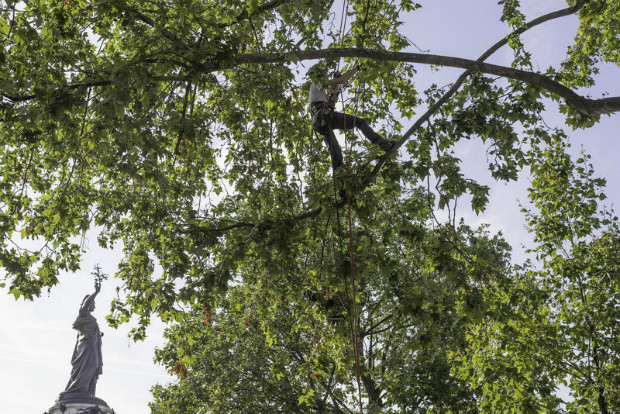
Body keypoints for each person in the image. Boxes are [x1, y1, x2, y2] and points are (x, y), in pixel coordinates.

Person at [308, 62, 393, 170]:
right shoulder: (317, 83)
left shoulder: (321, 92)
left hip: (322, 122)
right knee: (359, 122)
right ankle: (381, 142)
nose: (326, 75)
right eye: (324, 72)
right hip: (323, 117)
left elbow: (331, 102)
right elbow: (342, 81)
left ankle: (340, 177)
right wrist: (356, 68)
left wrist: (337, 83)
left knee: (336, 152)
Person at [57, 281, 108, 407]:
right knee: (89, 365)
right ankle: (80, 389)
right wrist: (96, 292)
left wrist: (98, 334)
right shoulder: (84, 313)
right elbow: (85, 305)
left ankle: (85, 390)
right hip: (85, 347)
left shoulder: (90, 318)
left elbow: (90, 331)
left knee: (94, 366)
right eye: (93, 304)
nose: (94, 306)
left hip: (92, 347)